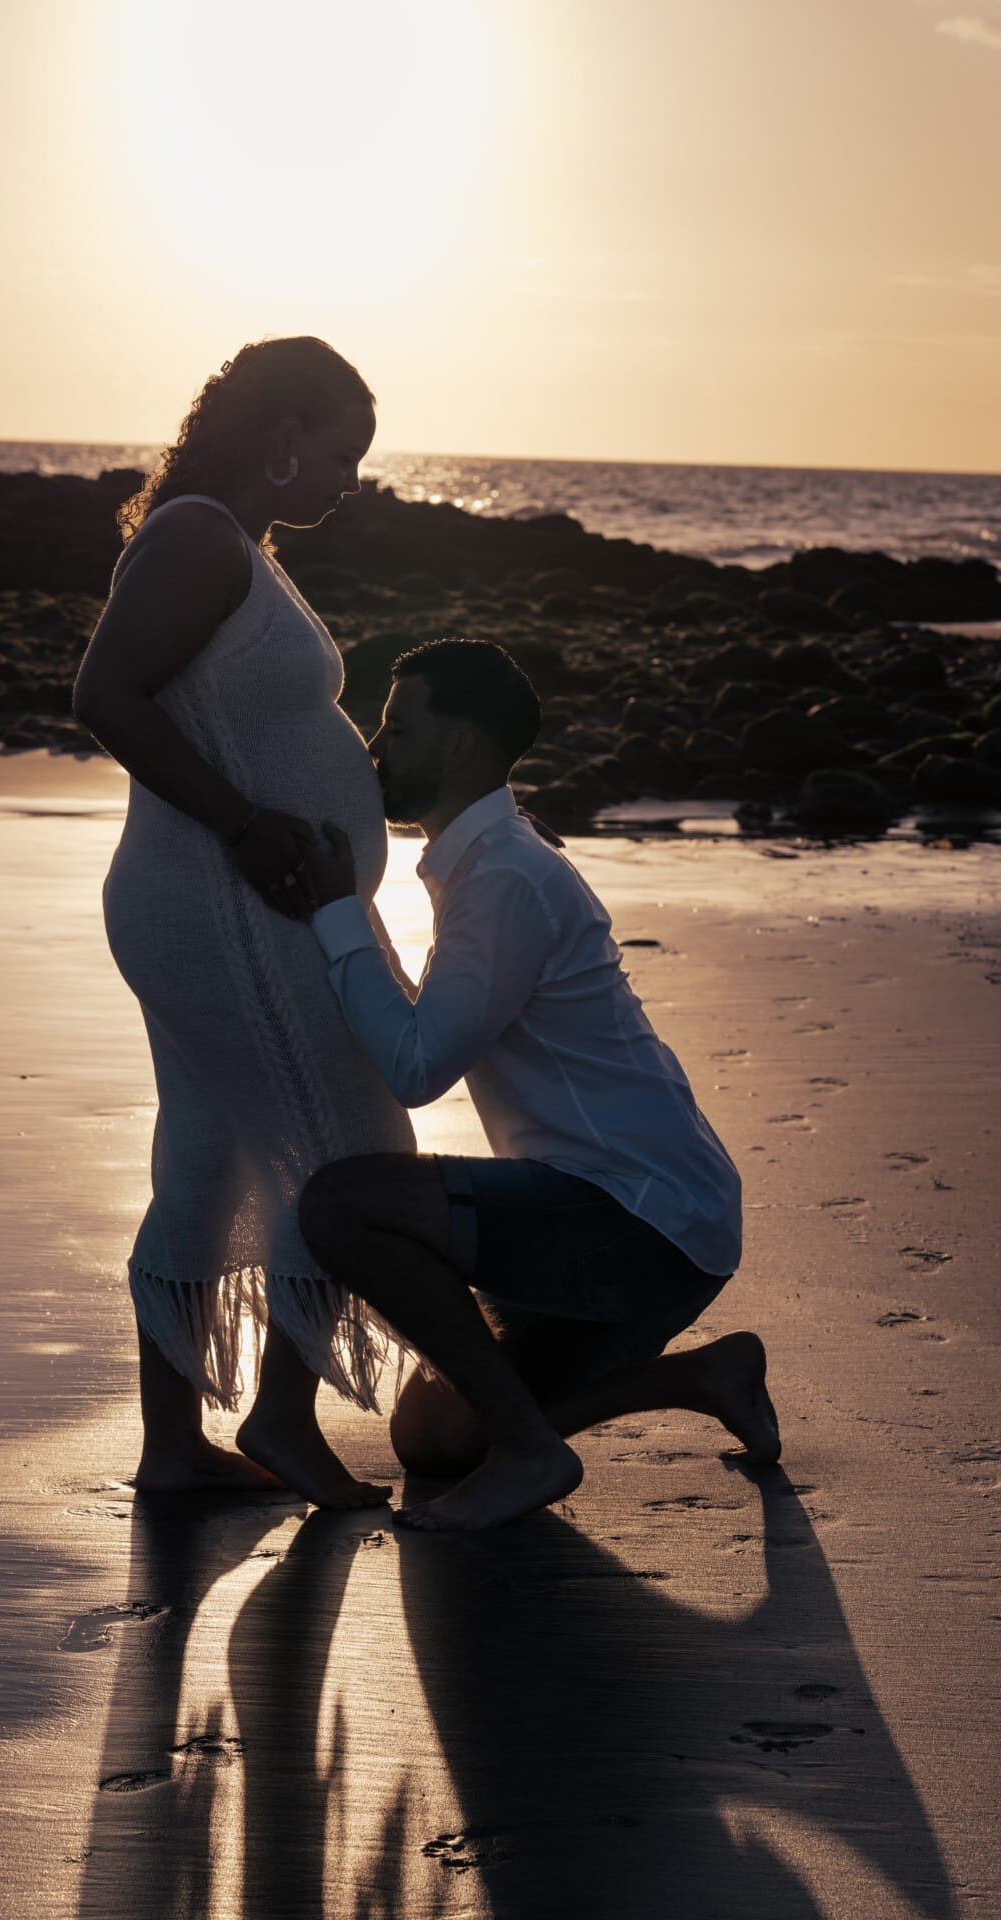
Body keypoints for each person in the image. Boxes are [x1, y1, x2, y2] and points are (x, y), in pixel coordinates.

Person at [295, 638, 781, 1530]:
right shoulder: (492, 859)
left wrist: (336, 912)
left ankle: (530, 1448)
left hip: (639, 1218)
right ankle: (705, 1376)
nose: (374, 747)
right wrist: (349, 915)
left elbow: (415, 1067)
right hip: (638, 1218)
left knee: (339, 1207)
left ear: (460, 748)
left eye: (397, 727)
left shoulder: (506, 877)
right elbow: (425, 1028)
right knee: (433, 1439)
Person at [73, 336, 415, 1505]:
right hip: (220, 902)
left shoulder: (238, 545)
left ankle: (176, 1448)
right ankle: (280, 1419)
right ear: (283, 436)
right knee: (351, 1145)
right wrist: (246, 824)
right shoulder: (198, 538)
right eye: (343, 454)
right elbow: (103, 694)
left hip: (231, 899)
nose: (351, 481)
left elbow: (254, 723)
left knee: (209, 1159)